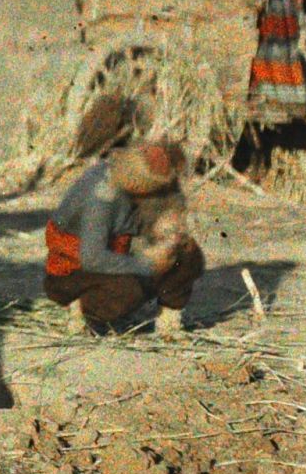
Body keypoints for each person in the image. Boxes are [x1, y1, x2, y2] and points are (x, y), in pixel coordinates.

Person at [44, 140, 204, 336]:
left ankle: (169, 324)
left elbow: (164, 214)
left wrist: (169, 230)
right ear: (139, 184)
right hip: (75, 273)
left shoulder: (151, 179)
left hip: (120, 255)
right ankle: (81, 310)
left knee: (187, 253)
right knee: (126, 292)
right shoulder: (101, 197)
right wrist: (147, 263)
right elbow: (92, 258)